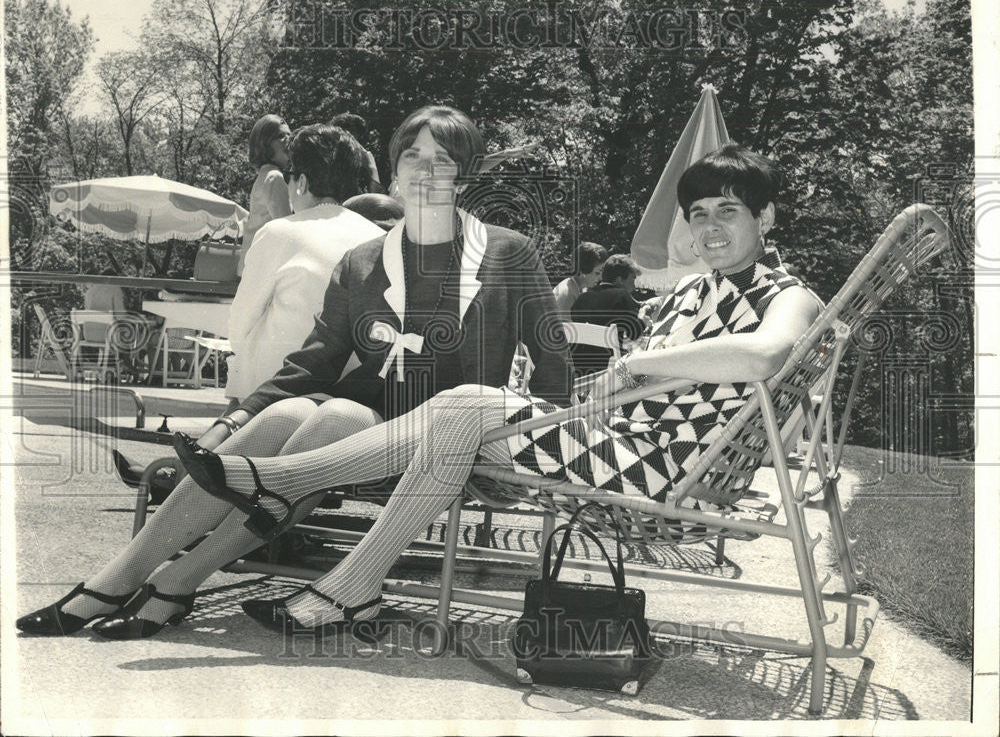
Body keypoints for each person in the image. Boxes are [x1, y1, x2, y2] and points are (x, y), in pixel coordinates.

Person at [156, 143, 822, 635]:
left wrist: (640, 367)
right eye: (698, 211)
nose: (709, 226)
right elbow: (649, 368)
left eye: (728, 212)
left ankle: (283, 484)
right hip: (621, 450)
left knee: (470, 404)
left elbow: (769, 354)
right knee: (461, 415)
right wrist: (620, 373)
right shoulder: (694, 293)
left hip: (663, 478)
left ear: (766, 218)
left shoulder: (788, 293)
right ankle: (342, 574)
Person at [16, 105, 571, 639]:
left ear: (464, 176)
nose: (425, 171)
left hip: (456, 435)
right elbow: (316, 360)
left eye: (443, 160)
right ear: (396, 170)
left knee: (329, 420)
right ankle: (120, 578)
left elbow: (553, 360)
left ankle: (172, 581)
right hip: (374, 419)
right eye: (414, 156)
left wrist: (541, 448)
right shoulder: (364, 260)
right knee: (293, 409)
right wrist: (230, 422)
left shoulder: (507, 252)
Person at [224, 124, 386, 402]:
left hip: (276, 391)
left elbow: (239, 326)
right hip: (350, 395)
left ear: (301, 182)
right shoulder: (380, 238)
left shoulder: (279, 232)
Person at [569, 253, 645, 375]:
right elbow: (634, 334)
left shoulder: (583, 298)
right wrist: (643, 318)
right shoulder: (621, 296)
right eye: (633, 279)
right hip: (608, 371)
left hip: (577, 369)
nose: (635, 285)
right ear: (620, 280)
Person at [238, 115, 293, 276]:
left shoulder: (265, 175)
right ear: (264, 143)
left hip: (253, 265)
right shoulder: (274, 177)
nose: (288, 140)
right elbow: (287, 229)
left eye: (289, 135)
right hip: (262, 268)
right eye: (281, 136)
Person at [328, 112, 385, 194]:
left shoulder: (364, 158)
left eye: (355, 138)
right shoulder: (326, 158)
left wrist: (372, 169)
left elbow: (377, 199)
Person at [552, 242, 608, 315]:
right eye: (597, 273)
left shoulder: (581, 289)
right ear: (583, 270)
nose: (600, 277)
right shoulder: (565, 294)